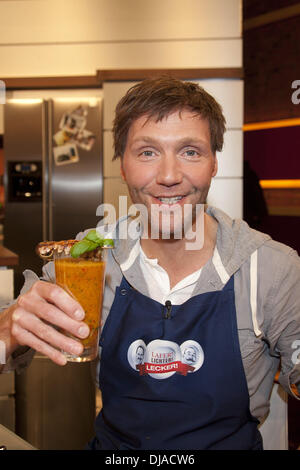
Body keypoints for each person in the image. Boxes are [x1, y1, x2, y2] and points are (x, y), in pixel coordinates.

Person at [0, 77, 300, 450]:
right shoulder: (87, 259)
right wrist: (6, 333)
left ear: (213, 164)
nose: (169, 176)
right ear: (123, 167)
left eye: (190, 151)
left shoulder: (271, 268)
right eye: (147, 152)